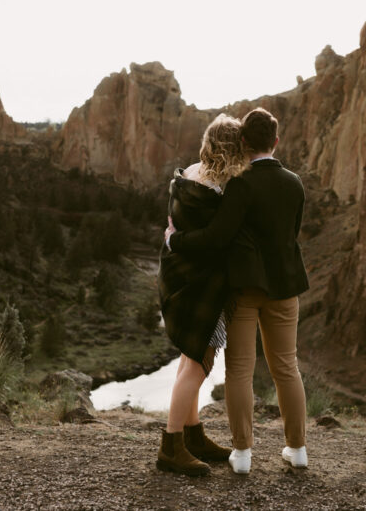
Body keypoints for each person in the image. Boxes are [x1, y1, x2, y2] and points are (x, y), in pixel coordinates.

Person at [166, 107, 310, 475]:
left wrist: (175, 240)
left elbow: (218, 237)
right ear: (276, 141)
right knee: (287, 369)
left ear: (244, 142)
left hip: (246, 288)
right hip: (286, 287)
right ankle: (297, 449)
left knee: (240, 371)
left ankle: (242, 455)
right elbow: (291, 234)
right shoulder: (295, 182)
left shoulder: (241, 184)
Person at [156, 114, 247, 476]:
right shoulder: (223, 190)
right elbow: (216, 242)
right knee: (198, 365)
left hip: (176, 279)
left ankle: (193, 435)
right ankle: (171, 445)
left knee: (188, 359)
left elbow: (175, 229)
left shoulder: (190, 173)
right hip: (200, 287)